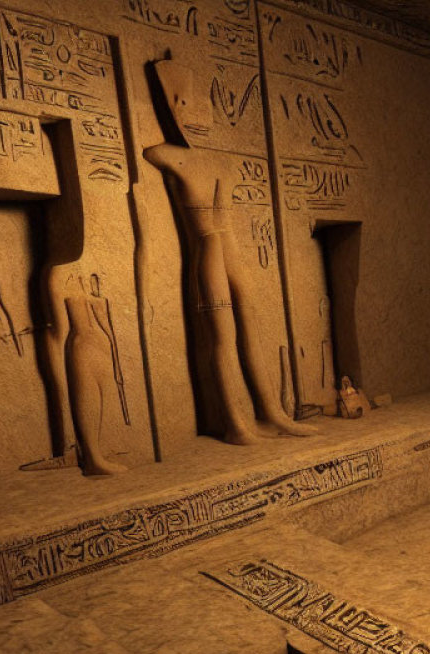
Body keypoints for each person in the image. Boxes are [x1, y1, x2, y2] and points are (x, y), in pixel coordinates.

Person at [143, 57, 314, 444]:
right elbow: (151, 153)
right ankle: (236, 422)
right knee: (223, 334)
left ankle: (272, 413)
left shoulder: (222, 160)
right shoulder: (172, 155)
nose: (191, 114)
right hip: (207, 247)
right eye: (180, 105)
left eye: (194, 104)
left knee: (251, 328)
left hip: (228, 245)